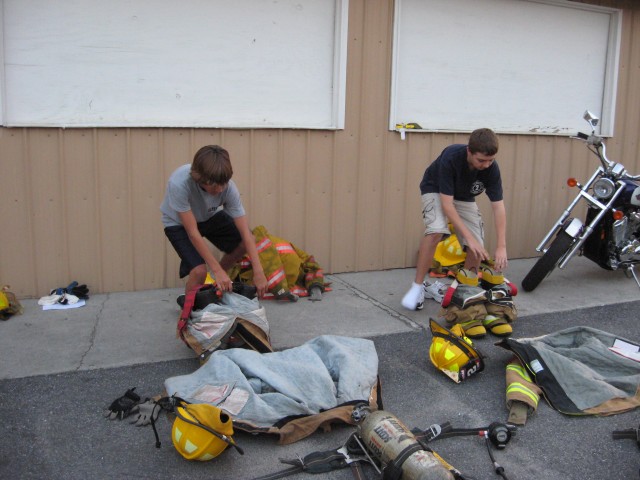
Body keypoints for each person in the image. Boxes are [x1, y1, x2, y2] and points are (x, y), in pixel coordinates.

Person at [401, 128, 507, 311]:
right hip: (436, 189)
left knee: (477, 248)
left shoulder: (491, 169)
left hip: (464, 196)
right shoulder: (452, 157)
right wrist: (469, 239)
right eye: (481, 160)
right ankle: (417, 287)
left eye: (491, 160)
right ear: (469, 151)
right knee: (436, 232)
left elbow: (498, 207)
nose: (486, 165)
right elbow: (447, 205)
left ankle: (464, 291)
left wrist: (501, 246)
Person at [161, 145, 268, 297]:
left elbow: (246, 234)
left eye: (223, 184)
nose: (219, 190)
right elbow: (193, 233)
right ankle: (189, 312)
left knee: (243, 242)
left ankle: (214, 280)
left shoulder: (228, 188)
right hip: (178, 223)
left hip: (208, 216)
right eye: (213, 186)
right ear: (198, 178)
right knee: (199, 271)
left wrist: (259, 272)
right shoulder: (179, 183)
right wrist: (216, 269)